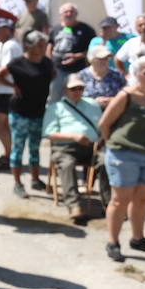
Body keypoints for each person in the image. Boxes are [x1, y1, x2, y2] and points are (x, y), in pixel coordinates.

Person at [100, 56, 145, 261]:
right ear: (137, 75)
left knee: (143, 199)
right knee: (120, 200)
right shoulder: (126, 96)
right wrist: (113, 147)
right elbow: (105, 124)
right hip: (125, 155)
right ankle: (113, 241)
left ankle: (138, 239)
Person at [0, 31, 55, 198]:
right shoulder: (18, 63)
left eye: (44, 44)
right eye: (40, 45)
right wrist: (12, 86)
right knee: (18, 148)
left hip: (39, 112)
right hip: (20, 112)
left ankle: (35, 179)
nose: (43, 48)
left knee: (35, 148)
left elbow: (53, 75)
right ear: (29, 46)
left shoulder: (47, 63)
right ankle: (17, 183)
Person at [44, 74, 103, 225]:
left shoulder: (93, 104)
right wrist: (73, 136)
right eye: (73, 89)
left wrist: (101, 138)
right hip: (65, 147)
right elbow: (48, 133)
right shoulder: (55, 108)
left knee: (107, 162)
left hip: (91, 146)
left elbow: (102, 126)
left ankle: (109, 203)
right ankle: (74, 205)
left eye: (80, 88)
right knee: (67, 164)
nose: (77, 91)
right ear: (65, 90)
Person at [0, 18, 21, 165]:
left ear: (6, 30)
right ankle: (9, 154)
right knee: (4, 125)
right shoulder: (0, 45)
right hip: (1, 89)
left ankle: (10, 156)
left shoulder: (11, 46)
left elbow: (6, 69)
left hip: (6, 91)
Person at [47, 3, 96, 102]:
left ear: (76, 14)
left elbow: (93, 50)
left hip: (78, 71)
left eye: (71, 12)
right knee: (54, 97)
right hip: (58, 71)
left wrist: (77, 56)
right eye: (66, 12)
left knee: (78, 98)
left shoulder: (86, 29)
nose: (69, 14)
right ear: (61, 15)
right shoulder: (55, 29)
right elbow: (49, 46)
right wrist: (50, 64)